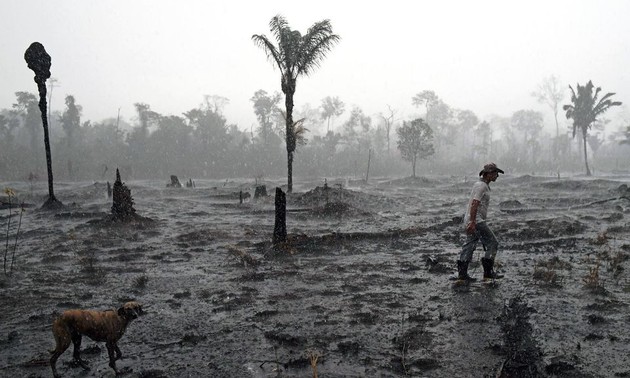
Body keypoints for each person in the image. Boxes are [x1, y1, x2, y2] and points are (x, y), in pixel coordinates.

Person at [457, 162, 505, 281]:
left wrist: (470, 221)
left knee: (470, 244)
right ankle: (488, 273)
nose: (497, 176)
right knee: (493, 243)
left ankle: (462, 275)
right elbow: (474, 203)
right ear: (488, 174)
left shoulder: (481, 185)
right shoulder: (481, 186)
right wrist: (473, 222)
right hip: (477, 220)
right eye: (495, 173)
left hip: (472, 219)